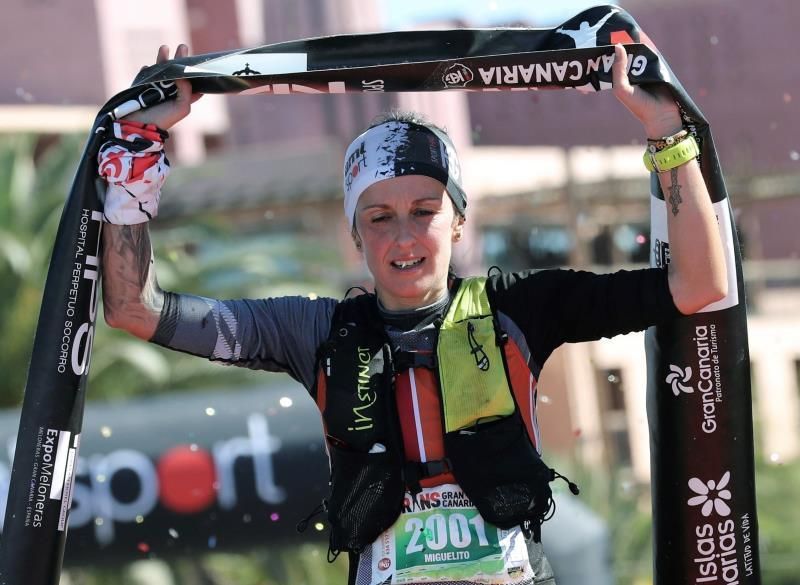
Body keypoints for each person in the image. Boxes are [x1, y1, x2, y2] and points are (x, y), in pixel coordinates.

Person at [100, 44, 727, 585]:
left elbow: (699, 284)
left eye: (424, 211)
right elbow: (136, 309)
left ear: (458, 221)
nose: (404, 238)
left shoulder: (520, 309)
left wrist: (666, 132)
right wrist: (138, 149)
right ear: (355, 235)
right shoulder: (313, 332)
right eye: (380, 218)